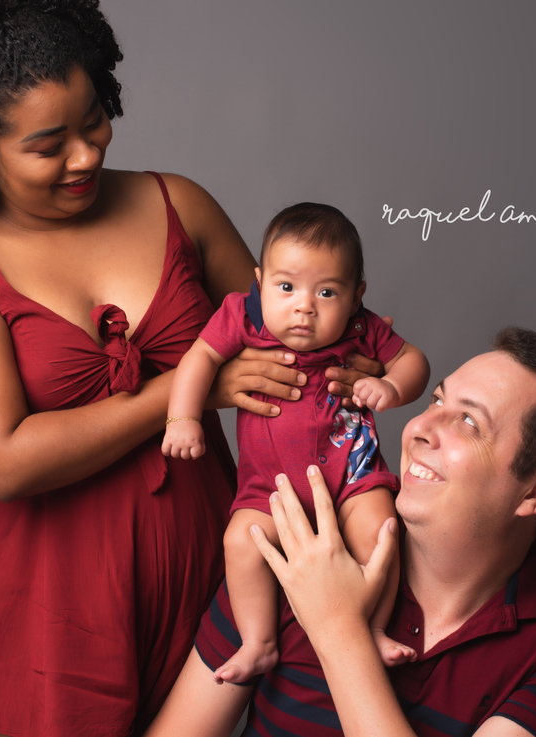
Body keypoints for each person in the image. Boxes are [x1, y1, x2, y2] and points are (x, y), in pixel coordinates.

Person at [0, 0, 384, 737]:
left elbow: (296, 341)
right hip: (54, 591)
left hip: (213, 554)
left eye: (94, 120)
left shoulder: (178, 204)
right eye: (48, 146)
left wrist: (363, 365)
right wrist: (189, 390)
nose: (85, 154)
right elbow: (6, 460)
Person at [147, 327, 536, 737]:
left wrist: (338, 627)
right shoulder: (302, 539)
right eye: (436, 399)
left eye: (468, 421)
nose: (417, 427)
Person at [162, 203, 430, 682]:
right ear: (260, 282)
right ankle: (258, 643)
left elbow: (413, 360)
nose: (304, 306)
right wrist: (183, 417)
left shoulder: (361, 328)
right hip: (270, 487)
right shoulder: (243, 317)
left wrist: (392, 386)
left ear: (356, 296)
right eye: (286, 287)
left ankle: (374, 629)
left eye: (327, 292)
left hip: (352, 475)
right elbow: (199, 358)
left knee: (381, 530)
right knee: (241, 542)